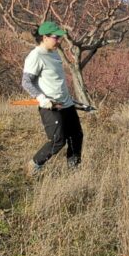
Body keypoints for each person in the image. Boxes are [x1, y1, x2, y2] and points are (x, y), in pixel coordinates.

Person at [22, 21, 83, 175]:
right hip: (51, 106)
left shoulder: (54, 53)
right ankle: (33, 166)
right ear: (45, 37)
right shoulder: (35, 56)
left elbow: (56, 81)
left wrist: (71, 100)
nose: (59, 40)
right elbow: (26, 82)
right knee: (58, 141)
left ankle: (74, 171)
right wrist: (42, 99)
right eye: (56, 37)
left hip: (66, 103)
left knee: (76, 136)